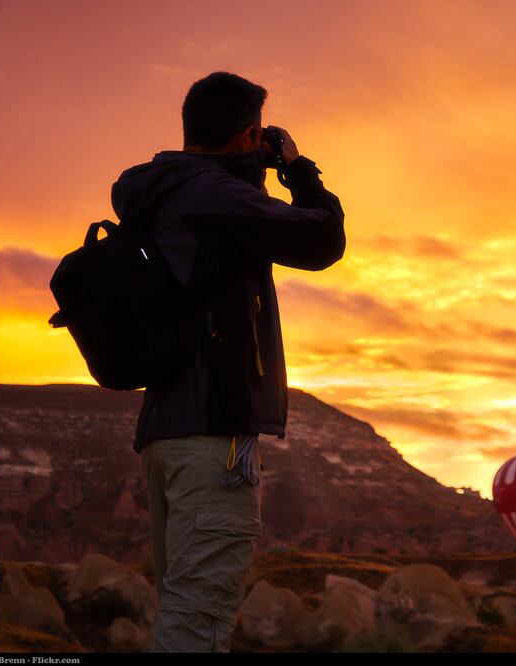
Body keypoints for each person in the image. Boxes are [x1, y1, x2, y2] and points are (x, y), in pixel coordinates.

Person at [109, 71, 345, 651]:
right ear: (247, 135)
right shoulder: (215, 198)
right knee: (200, 621)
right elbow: (323, 240)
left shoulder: (159, 192)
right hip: (214, 437)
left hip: (166, 431)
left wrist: (250, 168)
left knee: (183, 610)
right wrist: (297, 170)